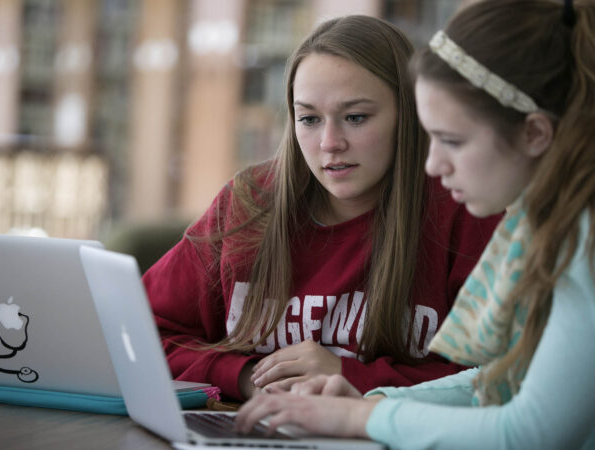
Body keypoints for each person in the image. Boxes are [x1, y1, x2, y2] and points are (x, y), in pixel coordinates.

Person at [234, 0, 595, 447]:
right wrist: (371, 404)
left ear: (535, 134)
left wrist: (358, 421)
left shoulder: (584, 241)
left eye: (451, 140)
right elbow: (501, 380)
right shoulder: (550, 221)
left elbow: (530, 432)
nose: (433, 164)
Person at [143, 15, 501, 402]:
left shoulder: (466, 208)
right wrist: (248, 377)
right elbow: (139, 332)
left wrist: (347, 377)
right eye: (309, 119)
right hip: (250, 424)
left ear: (411, 114)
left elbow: (500, 376)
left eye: (355, 117)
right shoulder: (247, 203)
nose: (330, 143)